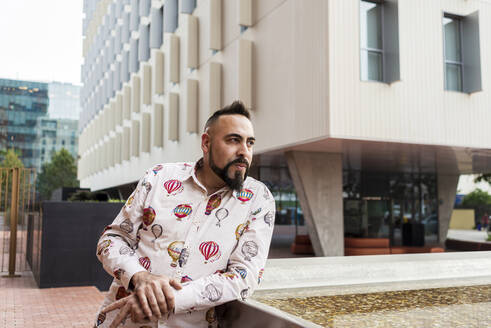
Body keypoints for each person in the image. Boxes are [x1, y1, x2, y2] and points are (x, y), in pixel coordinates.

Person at [94, 101, 276, 328]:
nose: (244, 152)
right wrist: (140, 277)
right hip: (122, 320)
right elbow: (111, 239)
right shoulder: (159, 177)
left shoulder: (259, 198)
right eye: (233, 140)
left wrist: (165, 300)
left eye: (250, 143)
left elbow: (244, 275)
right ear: (206, 142)